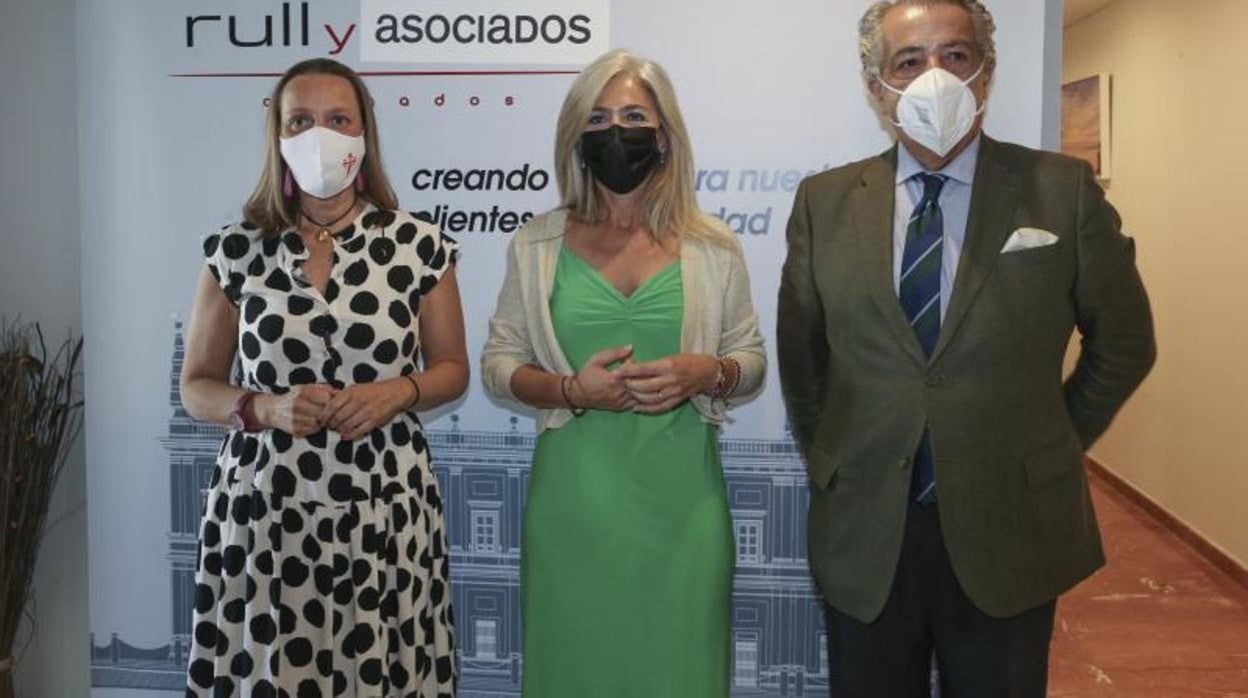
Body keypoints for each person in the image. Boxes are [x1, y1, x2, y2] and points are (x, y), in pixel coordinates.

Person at [777, 2, 1156, 696]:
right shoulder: (824, 202)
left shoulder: (1061, 191)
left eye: (955, 56)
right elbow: (804, 358)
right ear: (875, 86)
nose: (934, 78)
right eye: (908, 61)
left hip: (1011, 526)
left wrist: (1053, 441)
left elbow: (1125, 342)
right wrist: (836, 454)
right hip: (867, 532)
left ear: (986, 73)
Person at [481, 48, 766, 697]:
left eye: (634, 115)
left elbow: (750, 360)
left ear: (664, 134)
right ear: (578, 136)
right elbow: (499, 366)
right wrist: (569, 390)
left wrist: (707, 372)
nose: (617, 132)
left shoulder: (713, 246)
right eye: (599, 117)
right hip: (573, 512)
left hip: (684, 514)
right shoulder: (536, 244)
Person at [180, 58, 466, 697]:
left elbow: (453, 370)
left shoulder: (421, 245)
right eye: (301, 120)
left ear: (365, 131)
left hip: (385, 510)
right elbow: (196, 385)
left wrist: (399, 391)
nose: (320, 135)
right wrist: (265, 408)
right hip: (264, 510)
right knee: (269, 672)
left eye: (338, 119)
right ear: (278, 137)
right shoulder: (233, 250)